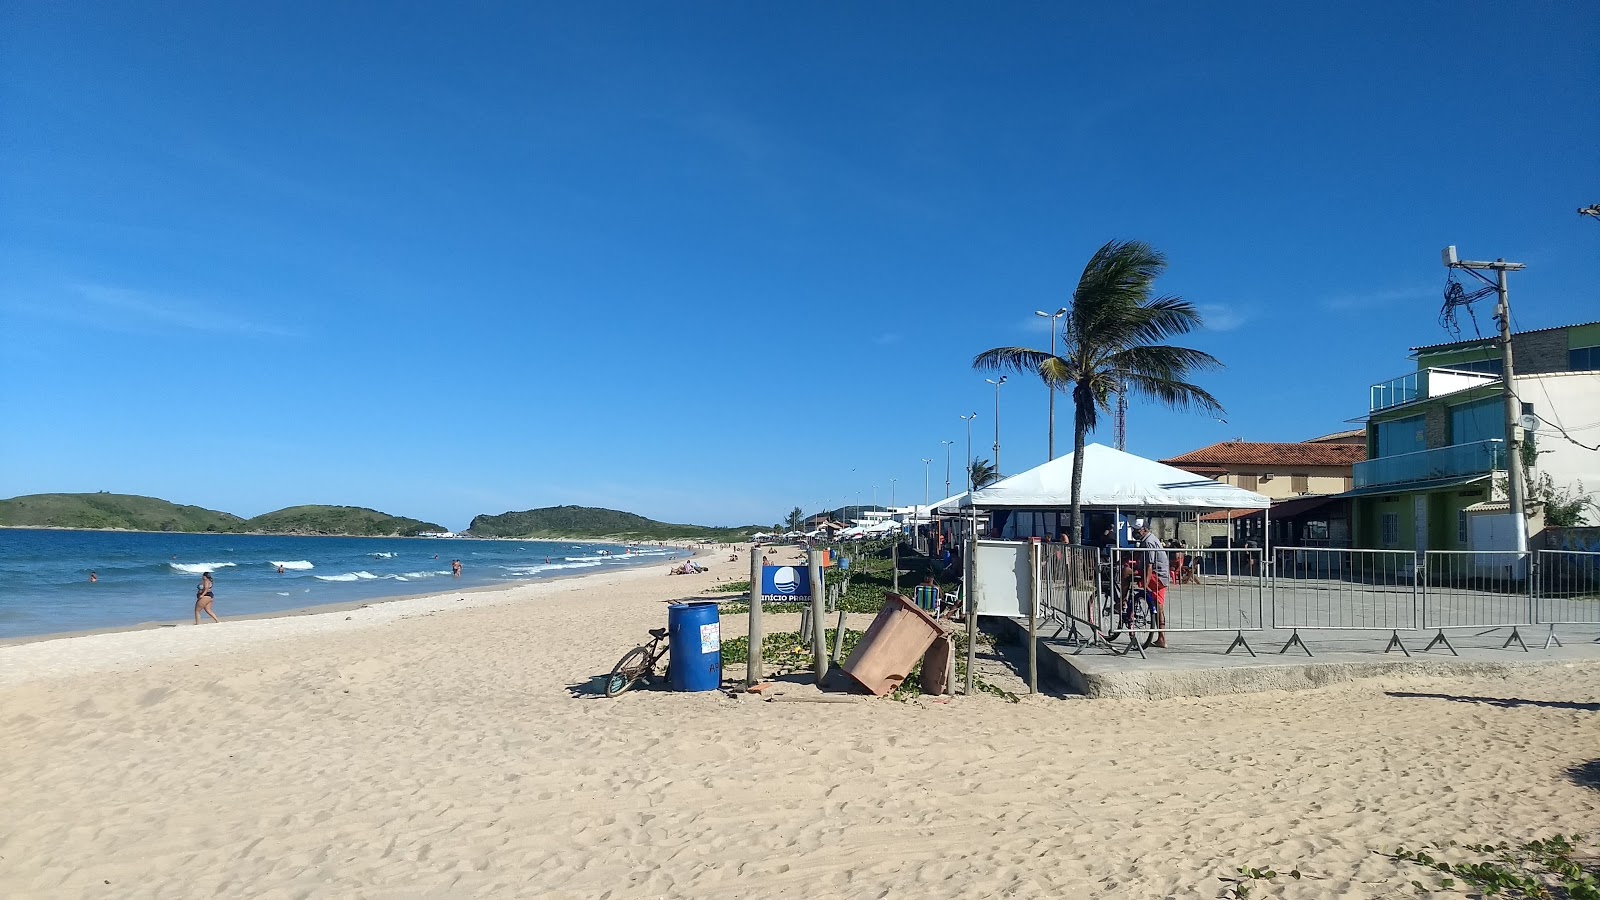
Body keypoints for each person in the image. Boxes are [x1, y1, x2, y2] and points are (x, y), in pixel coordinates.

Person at [1132, 525, 1169, 648]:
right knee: (1159, 606)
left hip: (1156, 575)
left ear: (1144, 530)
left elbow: (1149, 565)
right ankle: (1161, 638)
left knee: (1126, 572)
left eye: (1137, 530)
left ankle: (1121, 603)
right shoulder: (1149, 539)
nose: (1134, 532)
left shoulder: (1148, 542)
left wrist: (1145, 584)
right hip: (1162, 576)